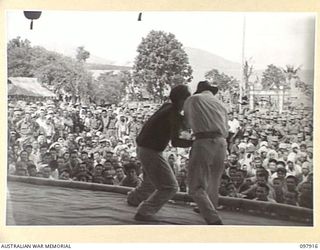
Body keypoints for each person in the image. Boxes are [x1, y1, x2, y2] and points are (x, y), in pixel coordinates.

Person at [127, 84, 193, 221]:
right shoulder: (173, 113)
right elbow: (176, 142)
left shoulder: (167, 107)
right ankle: (144, 212)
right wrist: (195, 143)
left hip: (144, 148)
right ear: (183, 100)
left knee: (150, 183)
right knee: (170, 187)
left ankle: (134, 198)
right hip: (151, 151)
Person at [183, 80, 228, 225]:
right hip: (221, 142)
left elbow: (186, 123)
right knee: (214, 179)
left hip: (204, 141)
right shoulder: (220, 103)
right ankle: (209, 206)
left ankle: (212, 216)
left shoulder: (194, 99)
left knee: (196, 183)